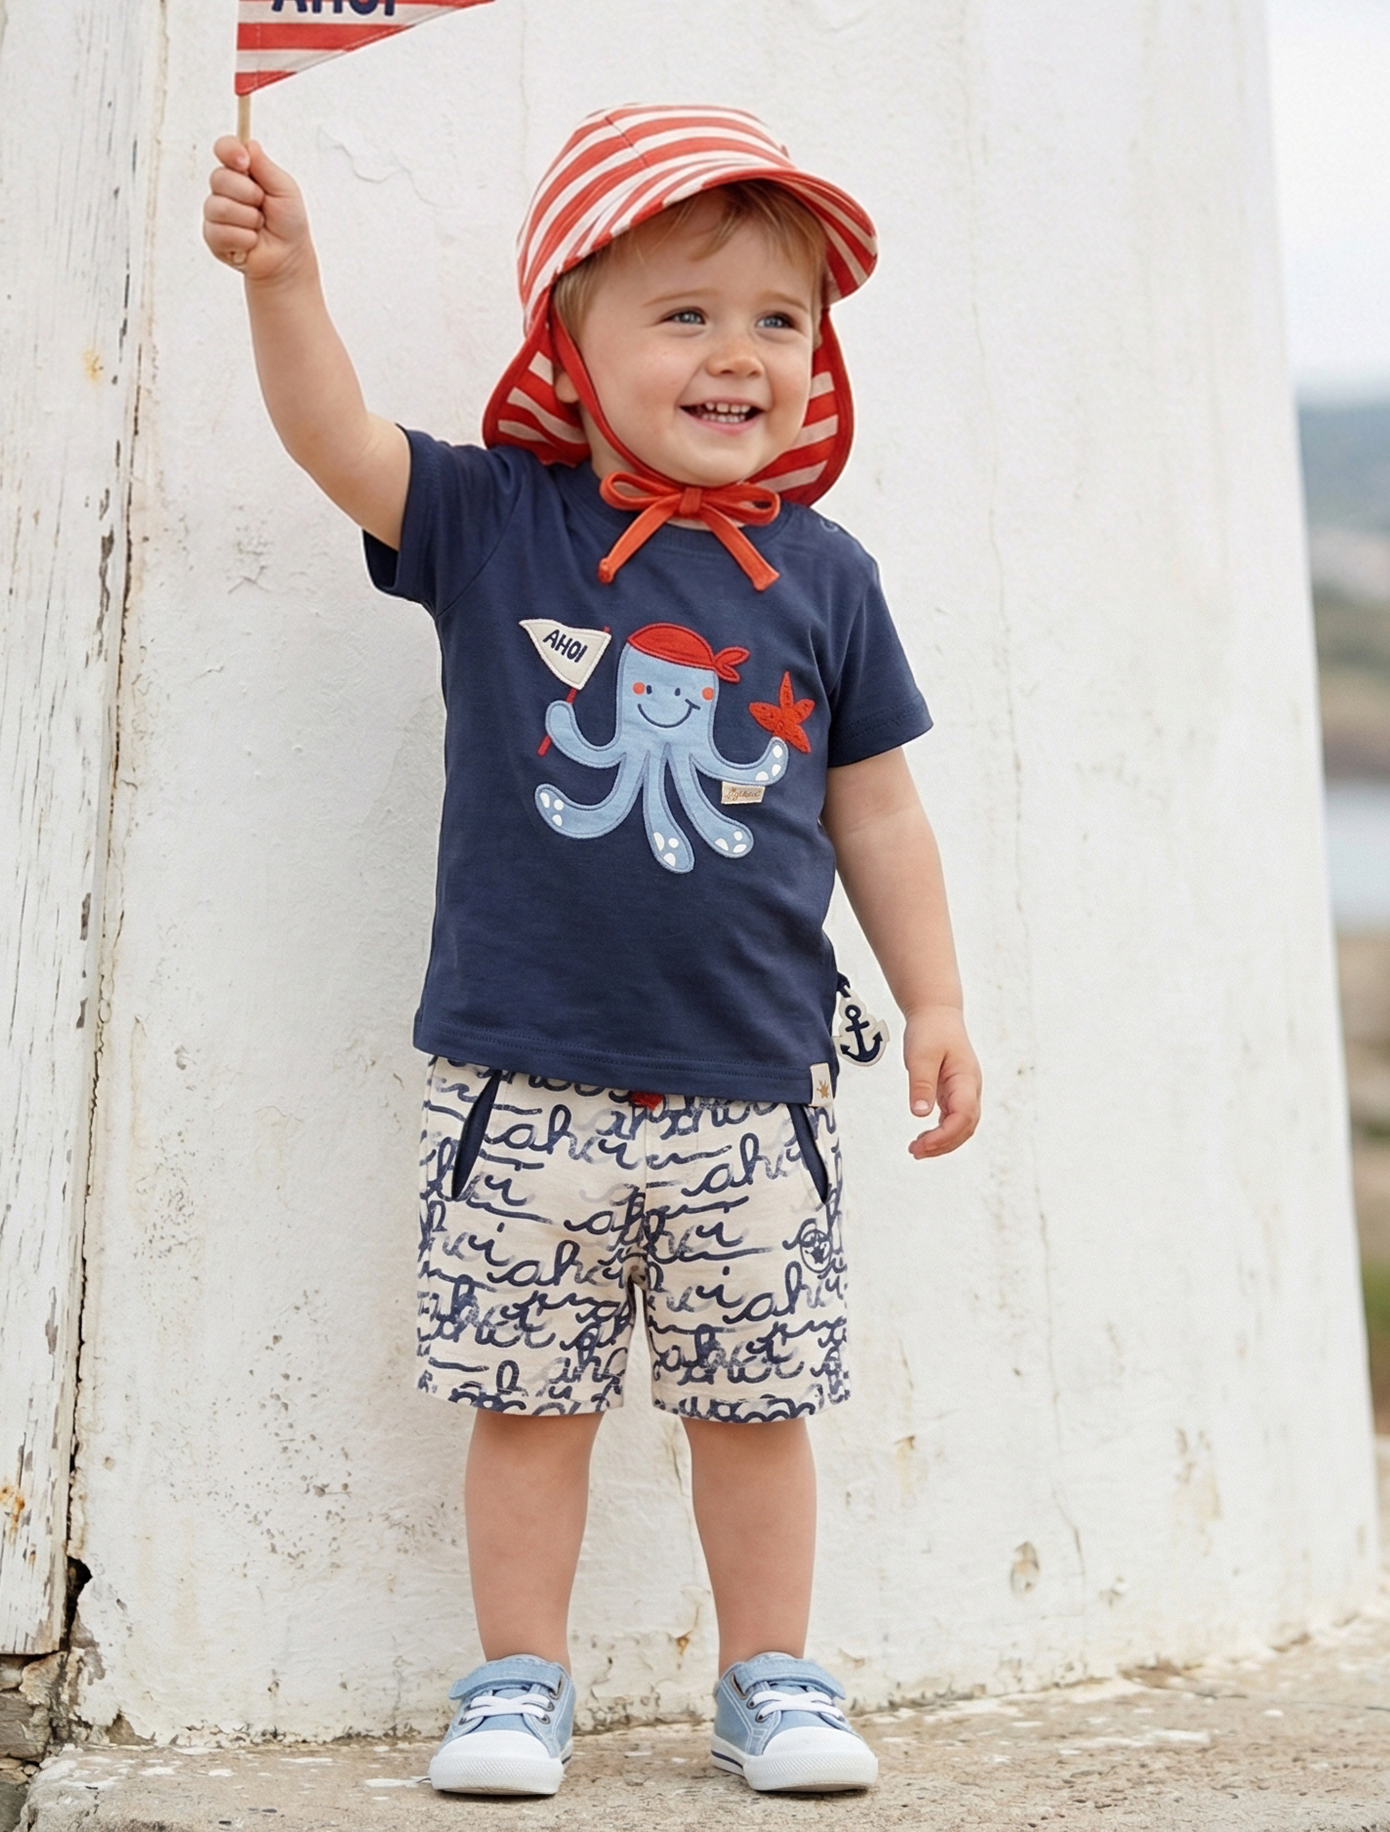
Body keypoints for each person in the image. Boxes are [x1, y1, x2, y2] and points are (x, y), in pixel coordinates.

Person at [202, 104, 981, 1797]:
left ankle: (769, 1676)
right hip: (517, 1083)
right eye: (685, 313)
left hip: (754, 1096)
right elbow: (335, 437)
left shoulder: (826, 576)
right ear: (574, 333)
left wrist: (934, 998)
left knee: (757, 1410)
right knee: (527, 1405)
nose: (738, 355)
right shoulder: (500, 523)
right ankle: (515, 1683)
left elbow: (882, 814)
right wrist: (286, 277)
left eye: (778, 319)